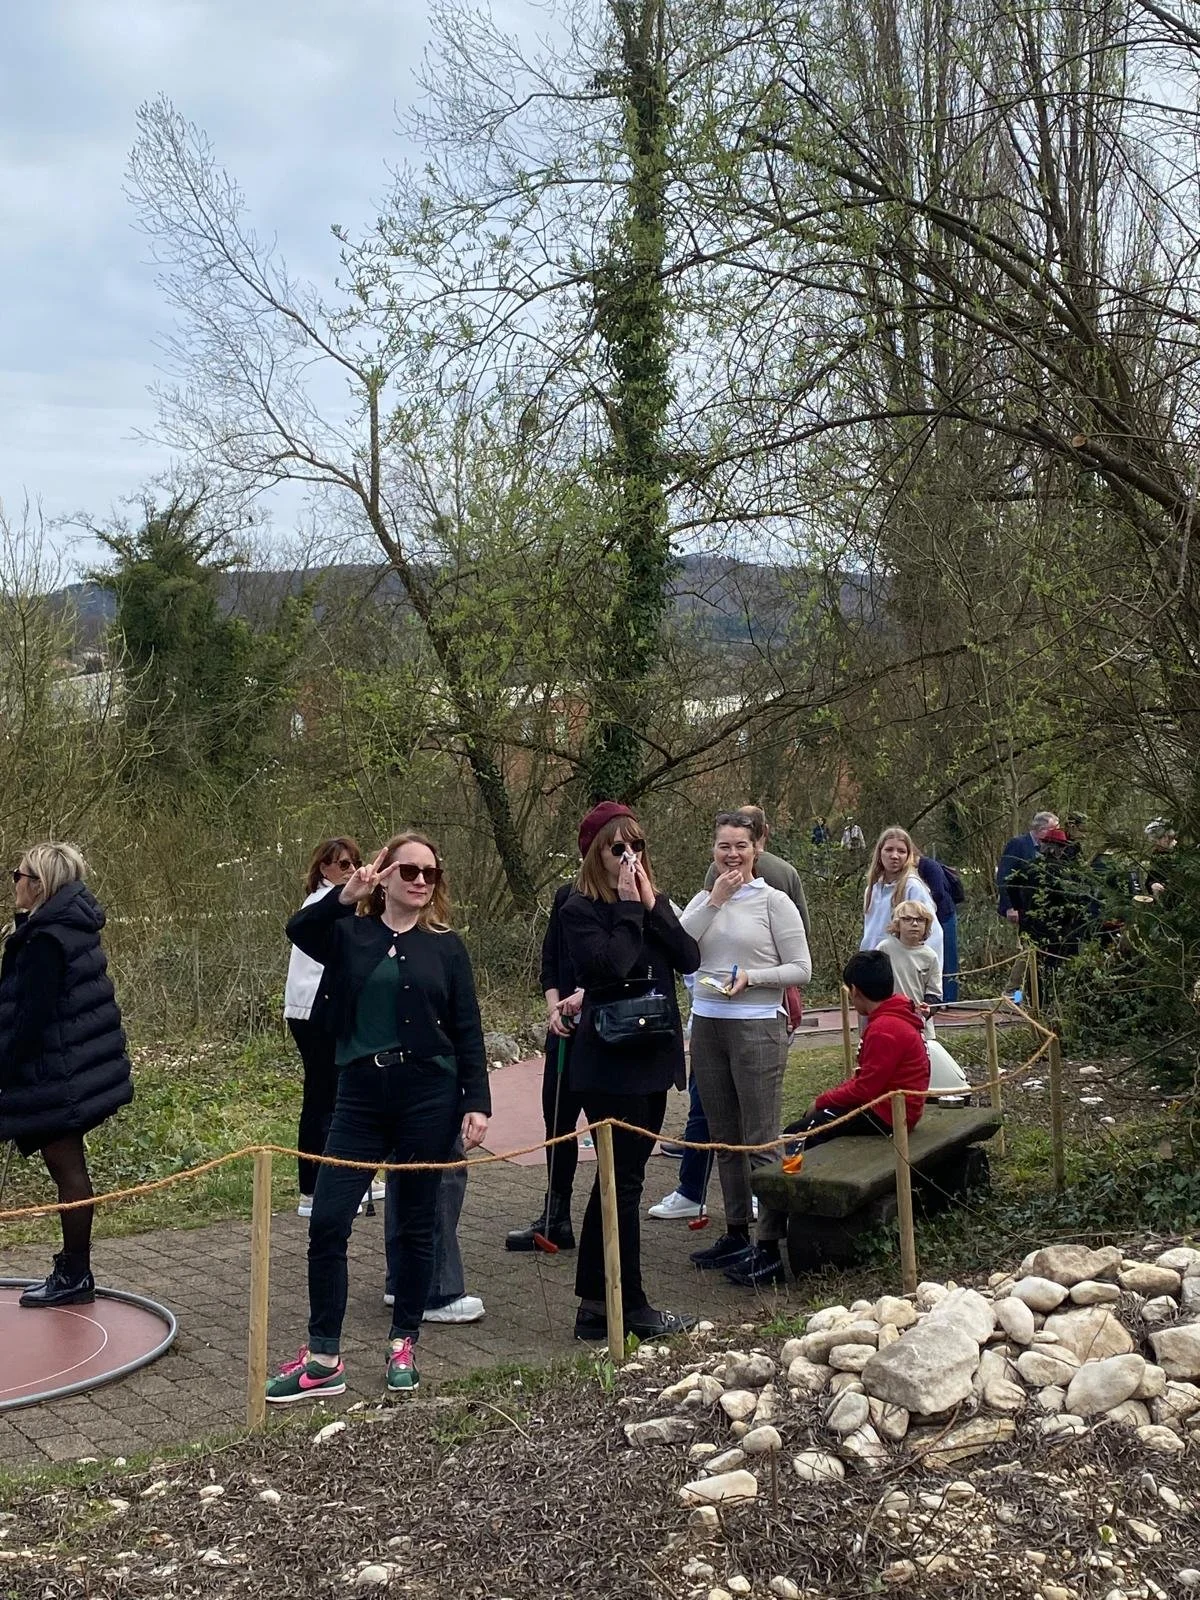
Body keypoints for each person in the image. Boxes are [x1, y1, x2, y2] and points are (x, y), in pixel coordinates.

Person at [266, 831, 489, 1402]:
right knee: (328, 1221)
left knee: (417, 1223)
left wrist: (476, 1101)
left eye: (430, 873)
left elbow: (467, 1027)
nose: (420, 881)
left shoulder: (447, 946)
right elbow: (299, 929)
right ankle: (324, 1358)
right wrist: (345, 896)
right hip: (360, 1094)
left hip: (429, 1095)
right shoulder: (350, 933)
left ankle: (403, 1343)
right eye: (409, 870)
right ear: (384, 875)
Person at [559, 801, 700, 1341]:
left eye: (636, 846)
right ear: (596, 854)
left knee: (618, 1182)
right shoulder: (579, 908)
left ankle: (596, 1305)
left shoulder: (646, 903)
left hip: (653, 1060)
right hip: (610, 1064)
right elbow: (608, 967)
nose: (629, 856)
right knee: (623, 1184)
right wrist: (626, 908)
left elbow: (688, 958)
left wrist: (652, 903)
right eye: (617, 848)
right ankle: (630, 1304)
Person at [651, 803, 809, 1220]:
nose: (732, 854)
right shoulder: (704, 899)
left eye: (741, 845)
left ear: (756, 849)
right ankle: (736, 1230)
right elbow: (680, 949)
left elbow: (802, 968)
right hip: (707, 1023)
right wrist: (715, 900)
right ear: (714, 850)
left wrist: (753, 977)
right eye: (724, 846)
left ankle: (769, 1237)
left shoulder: (774, 902)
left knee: (759, 1138)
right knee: (723, 1138)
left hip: (758, 1025)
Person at [735, 950, 929, 1286]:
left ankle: (771, 1241)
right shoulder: (896, 1014)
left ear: (855, 991)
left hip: (886, 1114)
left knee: (796, 1137)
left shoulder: (886, 1027)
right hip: (890, 1108)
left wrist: (821, 1101)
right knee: (804, 1131)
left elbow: (866, 1088)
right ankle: (783, 1216)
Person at [0, 842, 133, 1307]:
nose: (13, 882)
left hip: (58, 1075)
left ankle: (75, 1274)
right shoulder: (66, 926)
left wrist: (5, 1071)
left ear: (39, 885)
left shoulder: (45, 940)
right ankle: (75, 1270)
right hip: (72, 1069)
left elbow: (30, 1020)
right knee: (69, 1167)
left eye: (19, 875)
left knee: (68, 1169)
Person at [285, 836, 363, 1217]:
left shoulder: (339, 904)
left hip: (322, 1009)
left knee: (334, 1096)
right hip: (312, 1013)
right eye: (343, 864)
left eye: (354, 863)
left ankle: (340, 1177)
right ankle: (312, 1188)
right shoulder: (322, 903)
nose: (350, 870)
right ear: (324, 868)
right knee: (321, 1098)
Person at [505, 881, 585, 1251]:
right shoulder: (566, 896)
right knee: (557, 1122)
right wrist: (554, 1008)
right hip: (563, 1032)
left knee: (609, 1130)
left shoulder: (632, 897)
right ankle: (556, 1218)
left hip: (609, 1039)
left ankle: (610, 1222)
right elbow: (550, 961)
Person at [860, 828, 944, 966]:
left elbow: (933, 933)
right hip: (874, 965)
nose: (894, 856)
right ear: (880, 852)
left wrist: (928, 970)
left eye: (901, 851)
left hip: (902, 967)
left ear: (908, 855)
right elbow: (870, 934)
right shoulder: (872, 889)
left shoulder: (912, 887)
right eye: (889, 850)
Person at [875, 900, 942, 1009]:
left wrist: (928, 1009)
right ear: (897, 923)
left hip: (917, 1016)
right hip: (889, 1013)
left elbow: (935, 993)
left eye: (920, 920)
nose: (914, 924)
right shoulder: (884, 949)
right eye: (907, 919)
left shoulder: (930, 956)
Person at [915, 850, 963, 1002]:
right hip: (926, 919)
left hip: (944, 915)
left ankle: (949, 998)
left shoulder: (929, 866)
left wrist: (921, 902)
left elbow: (939, 893)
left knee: (948, 956)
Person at [996, 810, 1059, 925]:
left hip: (1040, 908)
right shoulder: (1018, 844)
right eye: (1053, 830)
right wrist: (1010, 907)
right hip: (1020, 906)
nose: (1055, 835)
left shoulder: (1048, 848)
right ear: (1040, 829)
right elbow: (1004, 876)